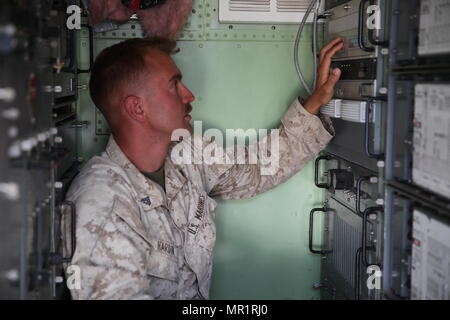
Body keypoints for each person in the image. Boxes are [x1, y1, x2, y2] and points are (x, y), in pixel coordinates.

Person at [61, 36, 344, 299]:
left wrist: (313, 104)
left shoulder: (186, 153)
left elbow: (257, 168)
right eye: (174, 84)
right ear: (137, 108)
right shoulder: (102, 201)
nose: (189, 95)